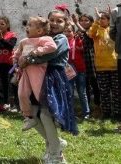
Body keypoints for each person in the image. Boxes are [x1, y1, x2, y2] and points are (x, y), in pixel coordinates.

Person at [20, 10, 78, 164]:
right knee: (33, 112)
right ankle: (55, 144)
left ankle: (57, 155)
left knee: (46, 114)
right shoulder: (43, 38)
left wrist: (28, 59)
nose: (54, 23)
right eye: (52, 19)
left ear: (66, 24)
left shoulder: (61, 39)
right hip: (37, 77)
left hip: (53, 79)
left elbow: (49, 55)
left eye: (59, 21)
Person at [12, 17, 57, 131]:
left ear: (39, 31)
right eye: (27, 25)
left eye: (30, 25)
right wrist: (16, 63)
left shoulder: (44, 38)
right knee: (21, 94)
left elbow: (52, 47)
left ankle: (55, 114)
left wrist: (37, 51)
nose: (27, 27)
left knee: (39, 94)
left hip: (38, 71)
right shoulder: (23, 41)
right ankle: (29, 117)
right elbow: (16, 54)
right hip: (25, 71)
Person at [88, 11, 120, 120]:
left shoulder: (112, 30)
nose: (101, 20)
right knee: (104, 92)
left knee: (116, 91)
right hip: (101, 66)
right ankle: (106, 113)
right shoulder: (97, 31)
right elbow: (91, 33)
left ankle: (117, 113)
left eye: (103, 18)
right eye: (100, 18)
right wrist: (96, 20)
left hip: (114, 65)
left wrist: (113, 15)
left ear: (108, 20)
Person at [64, 23, 90, 118]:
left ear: (73, 32)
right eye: (65, 31)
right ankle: (71, 113)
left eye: (69, 31)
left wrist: (79, 42)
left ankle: (86, 113)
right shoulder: (62, 42)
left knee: (82, 92)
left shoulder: (77, 40)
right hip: (68, 70)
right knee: (69, 92)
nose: (67, 33)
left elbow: (83, 49)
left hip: (79, 69)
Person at [0, 16, 17, 109]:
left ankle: (11, 103)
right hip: (0, 63)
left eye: (2, 24)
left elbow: (10, 46)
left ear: (7, 25)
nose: (0, 26)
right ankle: (2, 103)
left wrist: (1, 40)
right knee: (0, 83)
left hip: (9, 63)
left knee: (9, 83)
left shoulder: (12, 35)